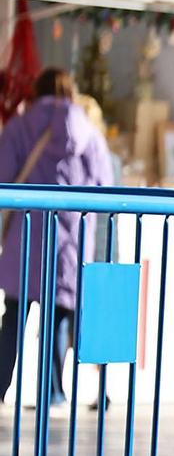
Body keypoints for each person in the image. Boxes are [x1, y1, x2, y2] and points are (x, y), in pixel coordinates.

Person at [0, 67, 114, 406]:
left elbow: (4, 174)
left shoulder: (19, 127)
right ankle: (51, 392)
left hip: (26, 235)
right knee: (58, 316)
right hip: (71, 239)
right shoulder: (89, 133)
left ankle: (0, 385)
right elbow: (104, 184)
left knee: (13, 317)